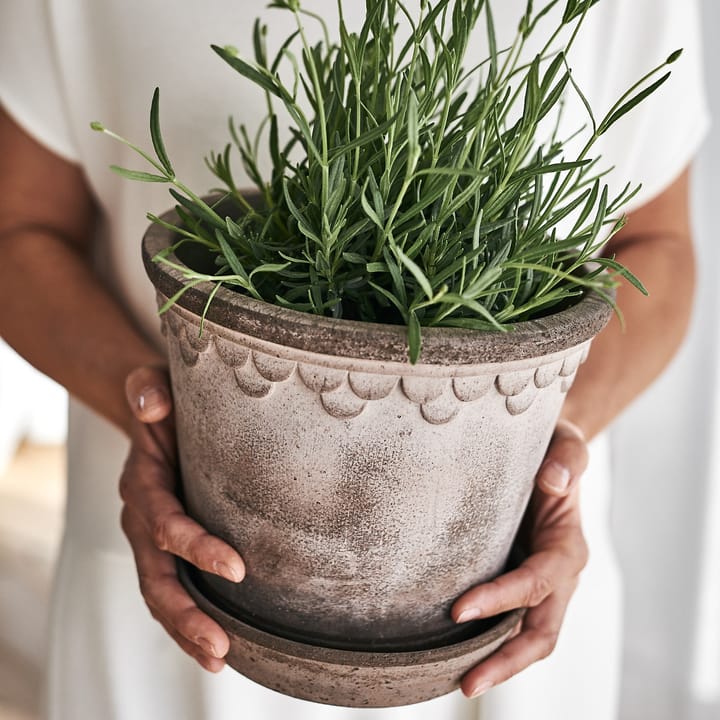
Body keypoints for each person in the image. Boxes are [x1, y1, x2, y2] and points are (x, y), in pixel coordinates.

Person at [0, 1, 708, 718]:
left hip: (500, 556)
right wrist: (147, 403)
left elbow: (659, 248)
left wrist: (554, 448)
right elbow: (19, 228)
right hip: (184, 548)